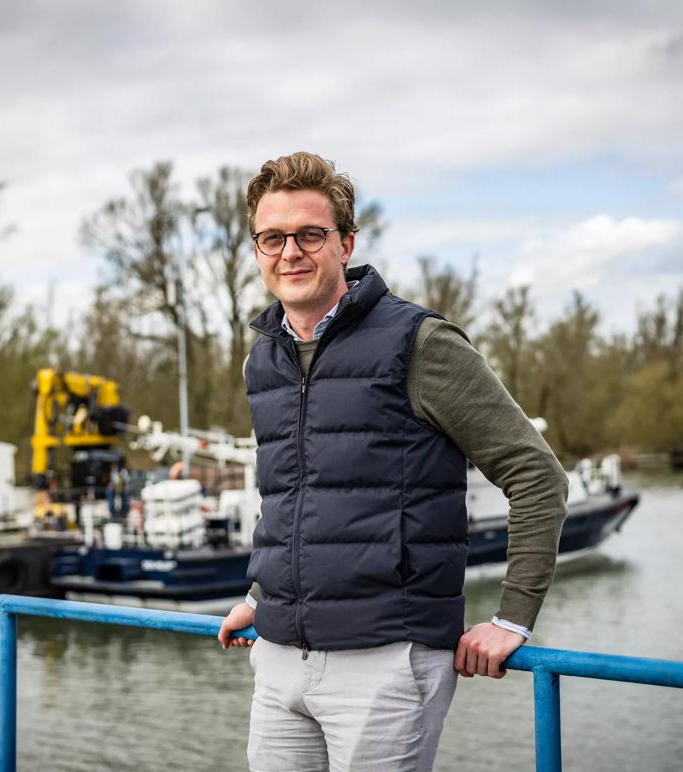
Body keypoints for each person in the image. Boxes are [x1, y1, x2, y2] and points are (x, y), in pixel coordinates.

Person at [217, 151, 569, 771]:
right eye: (273, 238)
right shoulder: (263, 359)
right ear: (257, 250)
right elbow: (292, 495)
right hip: (278, 658)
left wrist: (513, 620)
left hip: (386, 664)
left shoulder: (420, 344)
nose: (290, 252)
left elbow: (537, 477)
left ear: (346, 243)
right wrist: (261, 591)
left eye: (310, 234)